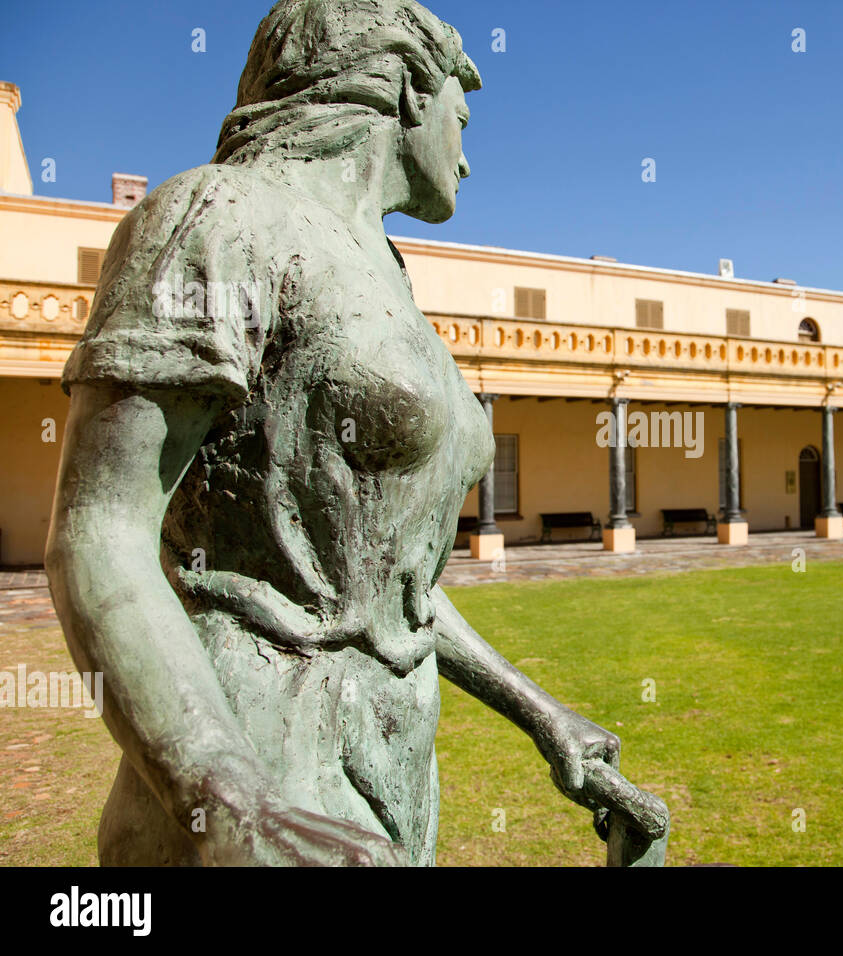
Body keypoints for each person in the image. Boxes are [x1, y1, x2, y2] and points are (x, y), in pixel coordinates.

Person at [45, 0, 654, 866]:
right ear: (410, 91)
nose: (468, 155)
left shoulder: (391, 277)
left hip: (396, 761)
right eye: (463, 118)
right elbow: (98, 531)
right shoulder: (216, 216)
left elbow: (385, 588)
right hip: (256, 762)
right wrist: (226, 801)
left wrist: (543, 715)